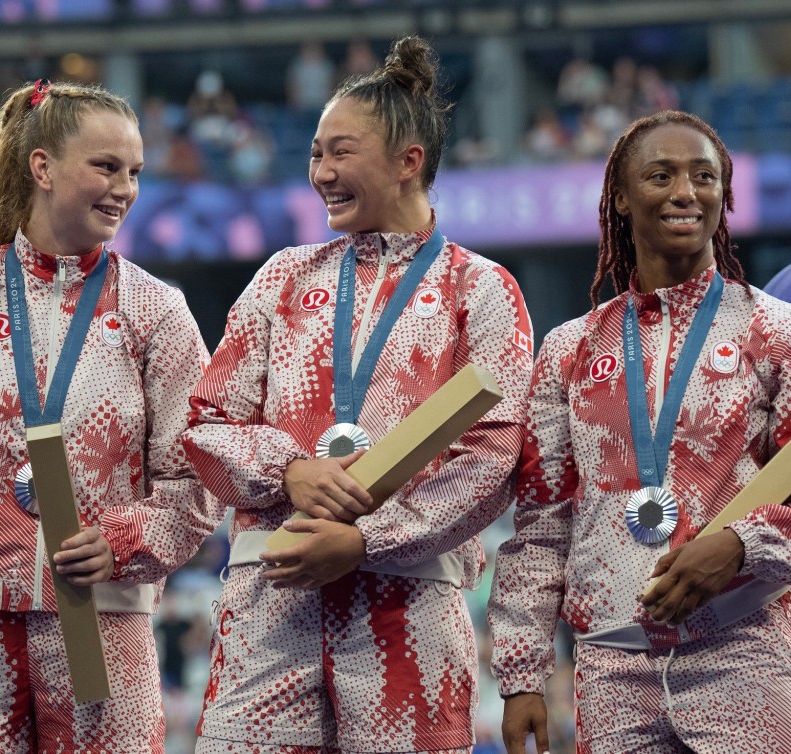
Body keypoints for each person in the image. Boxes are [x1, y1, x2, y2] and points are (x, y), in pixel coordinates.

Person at [182, 36, 534, 753]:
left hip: (409, 606)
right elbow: (206, 421)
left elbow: (495, 455)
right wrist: (288, 470)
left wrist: (366, 541)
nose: (321, 172)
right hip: (269, 605)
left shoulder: (480, 289)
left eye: (340, 152)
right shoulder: (282, 277)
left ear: (409, 160)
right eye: (315, 153)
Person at [488, 110, 791, 754]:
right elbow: (543, 523)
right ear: (620, 197)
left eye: (704, 176)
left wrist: (741, 548)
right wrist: (523, 675)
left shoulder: (786, 335)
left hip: (748, 651)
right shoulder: (568, 351)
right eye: (660, 175)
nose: (685, 192)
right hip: (612, 669)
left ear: (724, 194)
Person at [0, 79, 217, 753]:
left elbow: (196, 475)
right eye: (106, 166)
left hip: (104, 626)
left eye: (135, 172)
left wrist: (124, 537)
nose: (125, 187)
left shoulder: (155, 311)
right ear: (43, 167)